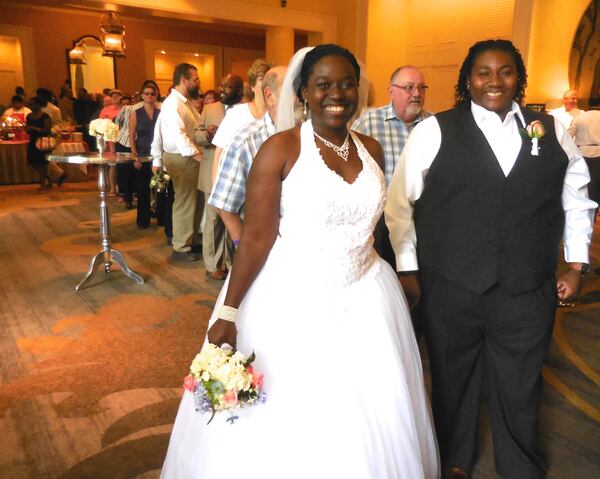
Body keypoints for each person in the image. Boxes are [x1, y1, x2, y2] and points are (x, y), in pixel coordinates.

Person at [160, 44, 439, 479]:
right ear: (304, 91)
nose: (337, 94)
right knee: (295, 414)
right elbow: (255, 238)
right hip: (293, 298)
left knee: (370, 410)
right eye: (323, 84)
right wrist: (229, 311)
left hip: (367, 293)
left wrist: (399, 273)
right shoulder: (280, 149)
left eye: (346, 84)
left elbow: (372, 227)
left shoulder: (370, 148)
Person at [385, 39, 596, 479]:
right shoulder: (435, 130)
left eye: (505, 71)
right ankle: (453, 460)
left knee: (520, 383)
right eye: (483, 72)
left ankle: (519, 466)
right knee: (451, 379)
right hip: (451, 286)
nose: (494, 81)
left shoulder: (550, 128)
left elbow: (575, 198)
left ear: (518, 77)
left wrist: (576, 264)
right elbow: (399, 206)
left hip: (526, 286)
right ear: (468, 79)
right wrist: (408, 268)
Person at [353, 65, 431, 273]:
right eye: (409, 87)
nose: (417, 93)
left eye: (421, 88)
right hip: (381, 226)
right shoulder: (368, 124)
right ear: (391, 91)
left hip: (423, 225)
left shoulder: (433, 126)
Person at [208, 66, 286, 246]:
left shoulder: (309, 135)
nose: (299, 98)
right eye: (291, 91)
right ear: (270, 96)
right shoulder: (245, 139)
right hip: (263, 245)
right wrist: (245, 248)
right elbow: (224, 204)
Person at [151, 62, 203, 262]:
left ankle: (190, 239)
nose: (198, 83)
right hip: (183, 158)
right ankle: (181, 247)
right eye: (195, 79)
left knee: (194, 201)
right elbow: (179, 136)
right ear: (184, 80)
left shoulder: (184, 102)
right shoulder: (173, 104)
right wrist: (199, 156)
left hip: (187, 156)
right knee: (185, 202)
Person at [192, 84, 229, 279]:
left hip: (235, 170)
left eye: (231, 87)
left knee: (233, 218)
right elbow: (196, 135)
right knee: (213, 219)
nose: (225, 90)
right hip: (212, 170)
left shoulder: (245, 110)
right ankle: (213, 264)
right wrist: (207, 135)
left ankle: (232, 262)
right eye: (223, 86)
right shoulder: (210, 109)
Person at [129, 80, 161, 229]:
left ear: (156, 95)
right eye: (146, 93)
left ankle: (162, 218)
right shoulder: (136, 113)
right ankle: (143, 220)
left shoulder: (160, 113)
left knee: (160, 189)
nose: (149, 96)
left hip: (157, 157)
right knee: (143, 190)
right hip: (142, 155)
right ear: (142, 95)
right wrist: (135, 156)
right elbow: (131, 136)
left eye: (152, 93)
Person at [569, 97, 600, 215]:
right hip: (599, 153)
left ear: (588, 104)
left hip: (582, 153)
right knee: (596, 185)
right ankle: (594, 210)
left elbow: (569, 135)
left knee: (581, 181)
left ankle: (579, 208)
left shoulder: (579, 118)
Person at [25, 96, 52, 191]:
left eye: (32, 104)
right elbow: (27, 128)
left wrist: (34, 129)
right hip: (32, 141)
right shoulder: (29, 116)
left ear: (38, 105)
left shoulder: (45, 117)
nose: (30, 106)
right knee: (33, 163)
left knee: (41, 163)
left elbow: (47, 130)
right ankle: (48, 179)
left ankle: (43, 185)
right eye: (29, 104)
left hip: (42, 142)